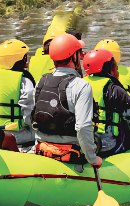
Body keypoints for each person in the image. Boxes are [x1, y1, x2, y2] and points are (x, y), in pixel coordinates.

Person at [30, 33, 103, 168]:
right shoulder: (81, 85)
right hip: (71, 151)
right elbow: (82, 127)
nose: (81, 55)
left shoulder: (40, 82)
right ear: (73, 56)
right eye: (79, 52)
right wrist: (92, 159)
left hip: (43, 149)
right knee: (100, 140)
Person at [83, 49, 130, 156]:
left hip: (84, 143)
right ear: (107, 68)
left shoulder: (78, 86)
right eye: (114, 65)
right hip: (108, 146)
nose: (116, 68)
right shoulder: (115, 90)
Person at [0, 39, 34, 153]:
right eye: (25, 56)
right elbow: (29, 118)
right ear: (21, 59)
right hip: (19, 136)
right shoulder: (25, 82)